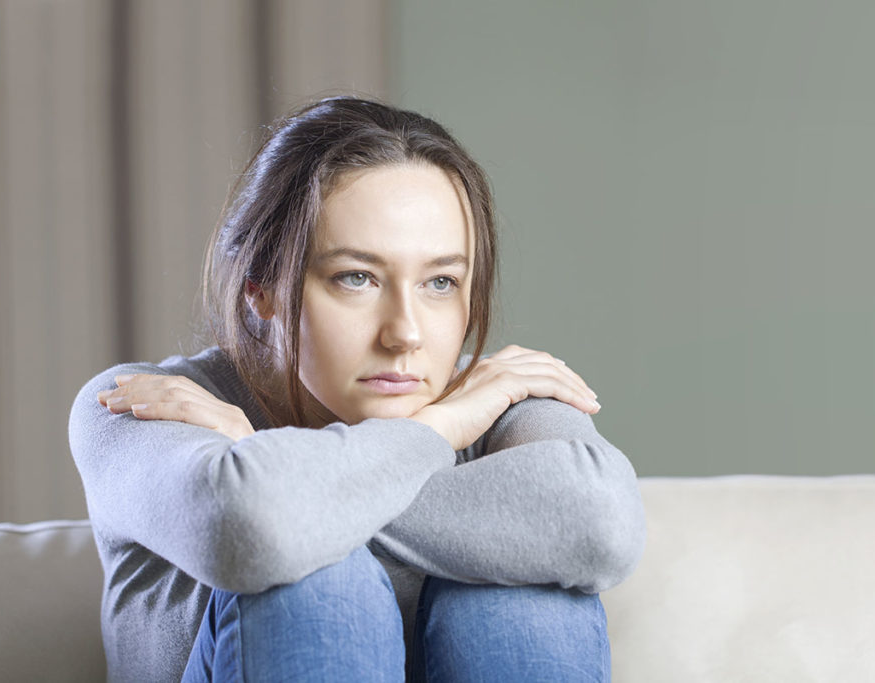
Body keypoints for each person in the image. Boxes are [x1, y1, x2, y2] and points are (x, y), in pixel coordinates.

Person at [69, 96, 646, 682]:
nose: (405, 334)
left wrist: (278, 484)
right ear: (261, 288)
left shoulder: (500, 395)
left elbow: (604, 524)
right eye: (356, 278)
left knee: (519, 595)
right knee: (316, 580)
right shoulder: (142, 405)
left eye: (440, 281)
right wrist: (437, 428)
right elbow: (249, 530)